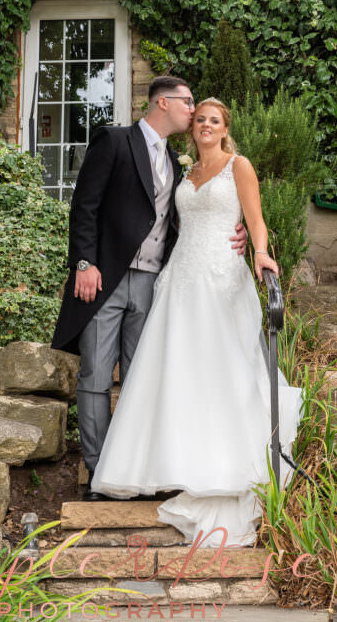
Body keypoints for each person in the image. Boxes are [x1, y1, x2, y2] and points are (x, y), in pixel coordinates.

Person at [89, 97, 303, 547]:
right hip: (180, 280)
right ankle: (171, 463)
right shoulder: (182, 171)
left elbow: (255, 220)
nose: (205, 125)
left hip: (221, 280)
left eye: (214, 120)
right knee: (180, 374)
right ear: (193, 129)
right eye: (200, 119)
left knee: (221, 371)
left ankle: (220, 464)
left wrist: (259, 251)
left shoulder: (238, 165)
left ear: (225, 129)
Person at [49, 76, 248, 501]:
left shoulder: (179, 167)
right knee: (97, 376)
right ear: (164, 102)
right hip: (106, 280)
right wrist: (84, 263)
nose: (194, 111)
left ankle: (141, 467)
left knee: (143, 379)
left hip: (156, 283)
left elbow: (189, 220)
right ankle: (100, 470)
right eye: (188, 102)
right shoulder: (115, 141)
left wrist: (236, 233)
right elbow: (85, 206)